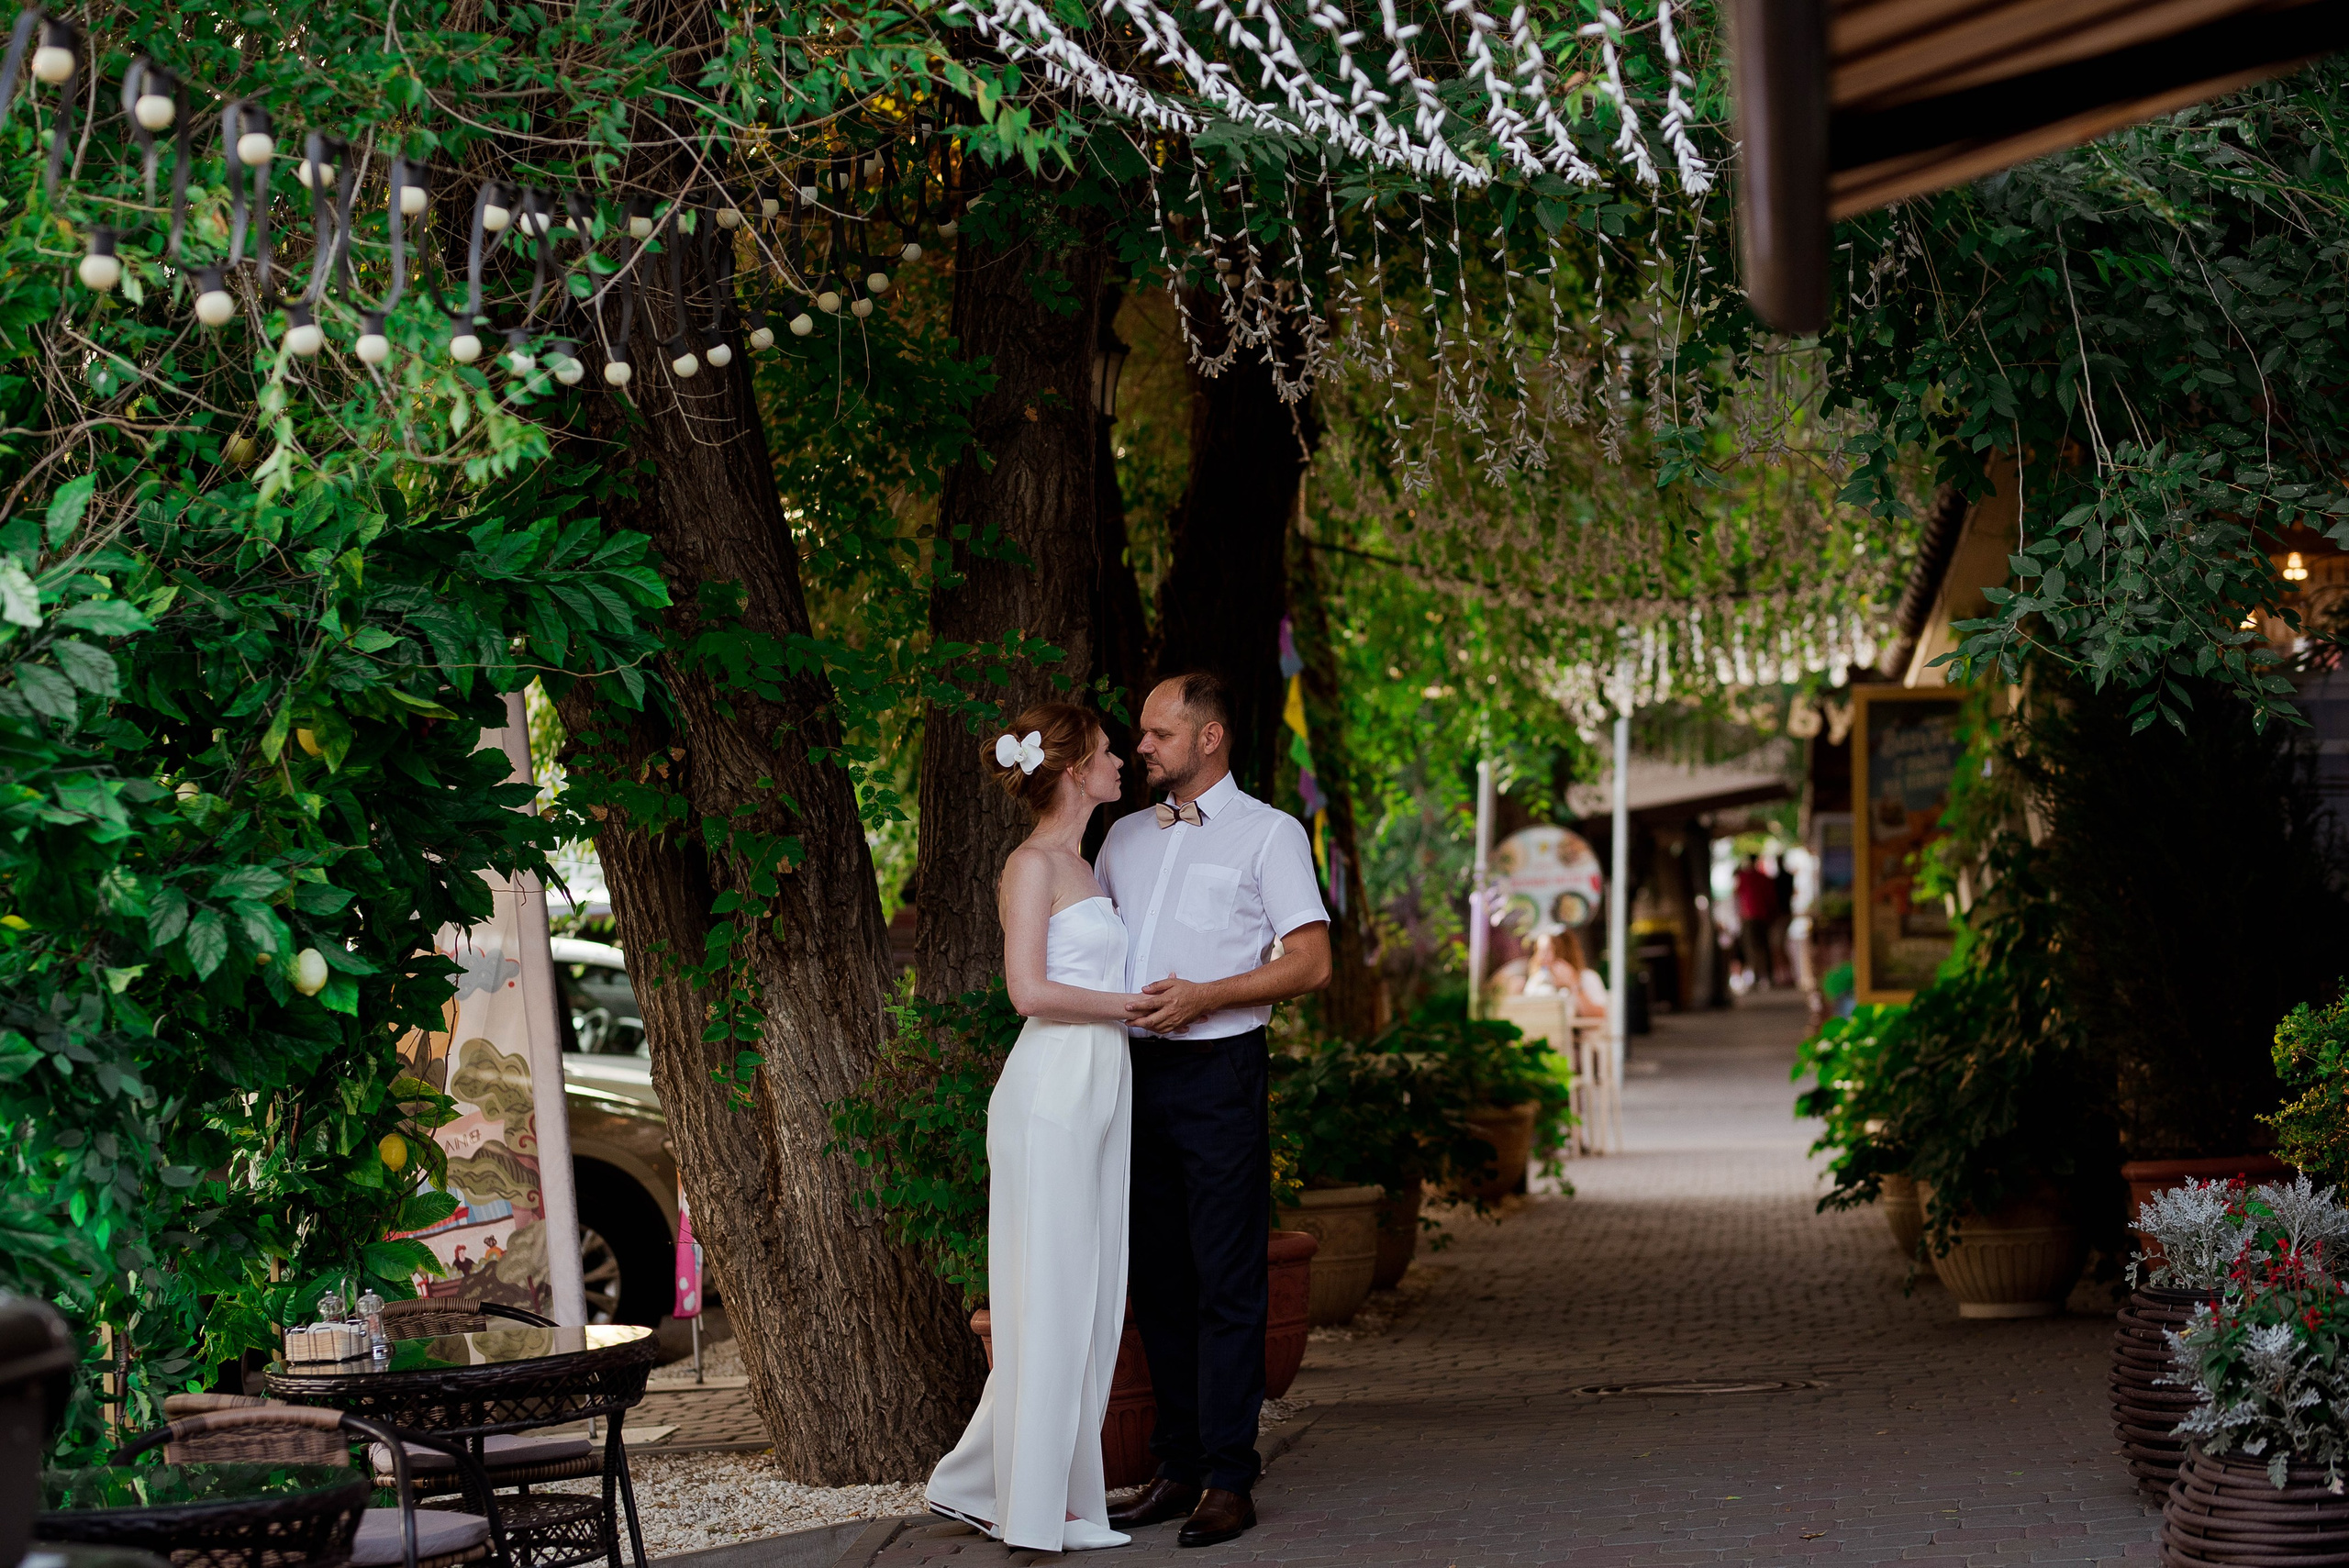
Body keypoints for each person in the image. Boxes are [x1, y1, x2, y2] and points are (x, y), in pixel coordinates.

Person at [1097, 673, 1332, 1549]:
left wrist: (1208, 995)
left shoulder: (1270, 834)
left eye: (1158, 733)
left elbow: (1310, 963)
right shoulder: (1120, 837)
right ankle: (1179, 1463)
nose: (1142, 747)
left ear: (1210, 738)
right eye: (1142, 734)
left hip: (1221, 1074)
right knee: (1157, 1276)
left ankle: (1232, 1476)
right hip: (1130, 1074)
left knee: (1226, 1278)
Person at [925, 703, 1142, 1553]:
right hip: (1051, 1087)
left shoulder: (1084, 862)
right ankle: (1033, 1506)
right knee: (1050, 1293)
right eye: (1108, 749)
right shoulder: (1030, 865)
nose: (1122, 759)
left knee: (1089, 1292)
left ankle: (987, 1482)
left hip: (1098, 1084)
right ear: (1078, 767)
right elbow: (1027, 990)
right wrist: (1130, 1006)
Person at [1520, 925, 1608, 1019]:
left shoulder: (1587, 977)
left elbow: (1599, 1015)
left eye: (1547, 951)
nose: (1541, 957)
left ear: (1563, 951)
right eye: (1539, 950)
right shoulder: (1537, 980)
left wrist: (1574, 985)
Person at [1734, 855, 1777, 990]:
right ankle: (1766, 976)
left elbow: (1738, 895)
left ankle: (1757, 976)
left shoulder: (1744, 877)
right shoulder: (1763, 878)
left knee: (1752, 947)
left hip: (1751, 916)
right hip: (1763, 916)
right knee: (1764, 946)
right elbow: (1771, 898)